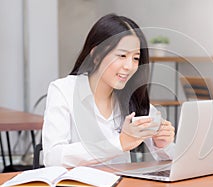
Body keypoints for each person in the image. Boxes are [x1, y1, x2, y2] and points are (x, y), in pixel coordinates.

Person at [42, 13, 175, 167]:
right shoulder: (63, 90)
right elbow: (52, 158)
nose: (129, 66)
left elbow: (171, 160)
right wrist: (119, 143)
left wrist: (161, 145)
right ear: (96, 55)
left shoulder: (131, 99)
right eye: (122, 55)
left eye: (135, 58)